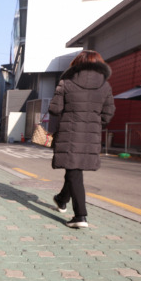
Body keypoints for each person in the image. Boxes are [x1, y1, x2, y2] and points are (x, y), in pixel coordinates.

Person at [49, 50, 115, 228]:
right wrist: (94, 122)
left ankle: (80, 216)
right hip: (91, 133)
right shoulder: (105, 86)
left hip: (70, 132)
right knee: (74, 170)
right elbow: (108, 113)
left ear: (77, 63)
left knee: (74, 171)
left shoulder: (66, 82)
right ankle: (62, 199)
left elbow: (55, 109)